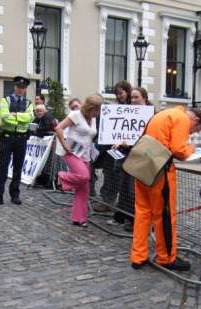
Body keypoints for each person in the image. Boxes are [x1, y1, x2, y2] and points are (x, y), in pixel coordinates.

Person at [131, 106, 201, 271]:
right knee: (163, 214)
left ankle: (138, 255)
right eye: (195, 130)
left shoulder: (162, 114)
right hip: (160, 169)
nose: (191, 133)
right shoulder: (181, 118)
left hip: (143, 166)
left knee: (142, 212)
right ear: (195, 120)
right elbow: (180, 150)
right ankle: (166, 258)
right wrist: (195, 149)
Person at [55, 95, 103, 227]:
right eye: (97, 110)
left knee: (83, 189)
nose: (98, 113)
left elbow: (91, 134)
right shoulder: (76, 115)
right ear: (91, 107)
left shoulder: (92, 119)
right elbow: (59, 128)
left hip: (86, 154)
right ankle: (60, 176)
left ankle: (79, 218)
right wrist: (64, 145)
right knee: (84, 177)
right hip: (72, 152)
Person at [109, 87, 152, 231]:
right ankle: (128, 217)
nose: (133, 100)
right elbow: (123, 132)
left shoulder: (151, 114)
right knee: (127, 188)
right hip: (129, 155)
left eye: (136, 97)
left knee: (136, 190)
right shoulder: (128, 112)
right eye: (132, 97)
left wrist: (132, 142)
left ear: (144, 98)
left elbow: (150, 137)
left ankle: (139, 220)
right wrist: (119, 141)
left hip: (143, 158)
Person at [0, 76, 34, 207]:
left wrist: (15, 115)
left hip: (21, 139)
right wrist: (21, 118)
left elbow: (30, 118)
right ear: (14, 87)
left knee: (18, 168)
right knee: (2, 168)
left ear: (25, 90)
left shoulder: (29, 104)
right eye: (19, 87)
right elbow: (5, 117)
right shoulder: (5, 100)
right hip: (6, 139)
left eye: (23, 88)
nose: (20, 89)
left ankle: (15, 195)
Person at [93, 80, 132, 212]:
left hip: (127, 150)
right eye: (117, 94)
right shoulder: (114, 109)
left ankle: (120, 205)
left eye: (121, 93)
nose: (119, 96)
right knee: (110, 175)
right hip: (112, 149)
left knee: (122, 178)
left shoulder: (134, 109)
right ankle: (107, 201)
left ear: (127, 91)